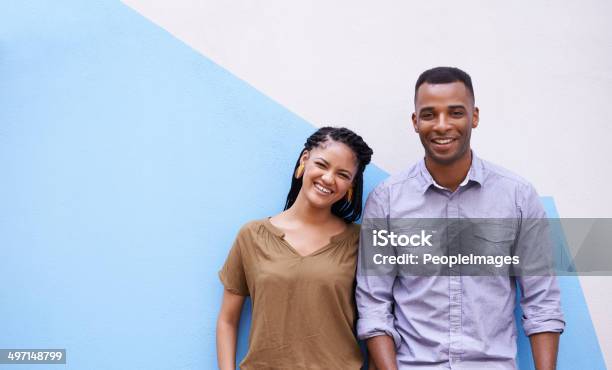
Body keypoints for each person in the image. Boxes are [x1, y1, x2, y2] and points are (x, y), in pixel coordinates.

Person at [356, 67, 565, 370]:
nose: (442, 125)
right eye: (429, 115)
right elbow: (374, 304)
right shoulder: (387, 201)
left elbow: (542, 302)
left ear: (474, 117)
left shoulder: (517, 197)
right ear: (415, 122)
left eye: (455, 113)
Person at [216, 127, 374, 370]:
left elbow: (378, 318)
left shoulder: (360, 241)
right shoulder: (252, 236)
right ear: (305, 160)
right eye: (322, 164)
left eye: (343, 174)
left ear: (351, 185)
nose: (329, 178)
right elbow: (227, 320)